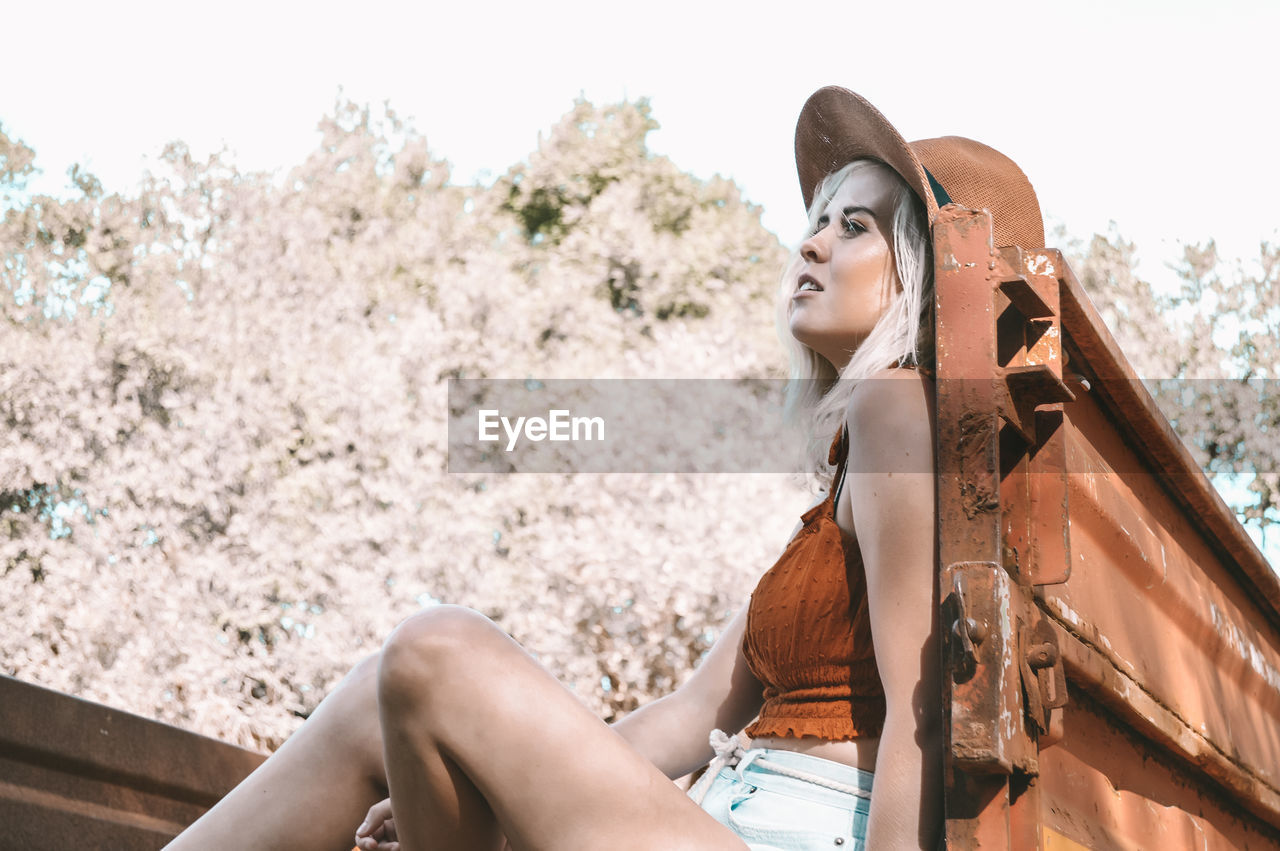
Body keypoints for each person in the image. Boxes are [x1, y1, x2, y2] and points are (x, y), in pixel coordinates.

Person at [167, 85, 1045, 851]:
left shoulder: (892, 402)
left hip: (793, 831)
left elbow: (926, 707)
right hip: (729, 814)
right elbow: (695, 710)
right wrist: (495, 786)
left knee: (434, 650)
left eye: (855, 227)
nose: (811, 245)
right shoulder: (850, 475)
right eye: (815, 221)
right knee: (382, 696)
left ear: (921, 278)